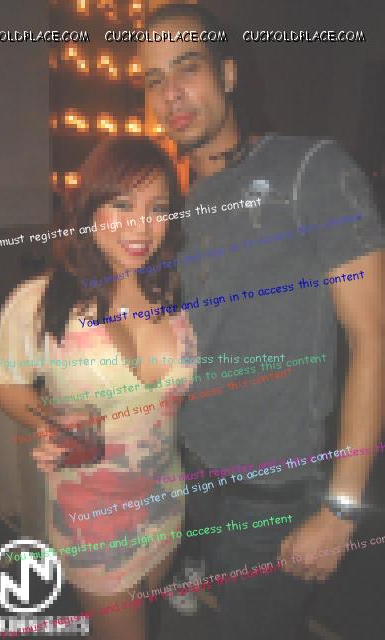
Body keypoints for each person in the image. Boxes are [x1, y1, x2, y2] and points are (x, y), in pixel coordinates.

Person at [139, 4, 384, 639]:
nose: (171, 93)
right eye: (154, 80)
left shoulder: (311, 170)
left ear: (227, 73)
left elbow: (373, 340)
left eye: (186, 68)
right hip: (188, 468)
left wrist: (341, 508)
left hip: (273, 487)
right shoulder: (171, 206)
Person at [0, 137, 197, 640]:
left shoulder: (172, 291)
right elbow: (6, 383)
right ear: (88, 209)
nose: (141, 226)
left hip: (166, 500)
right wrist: (48, 423)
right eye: (122, 204)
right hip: (92, 517)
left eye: (157, 208)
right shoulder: (43, 300)